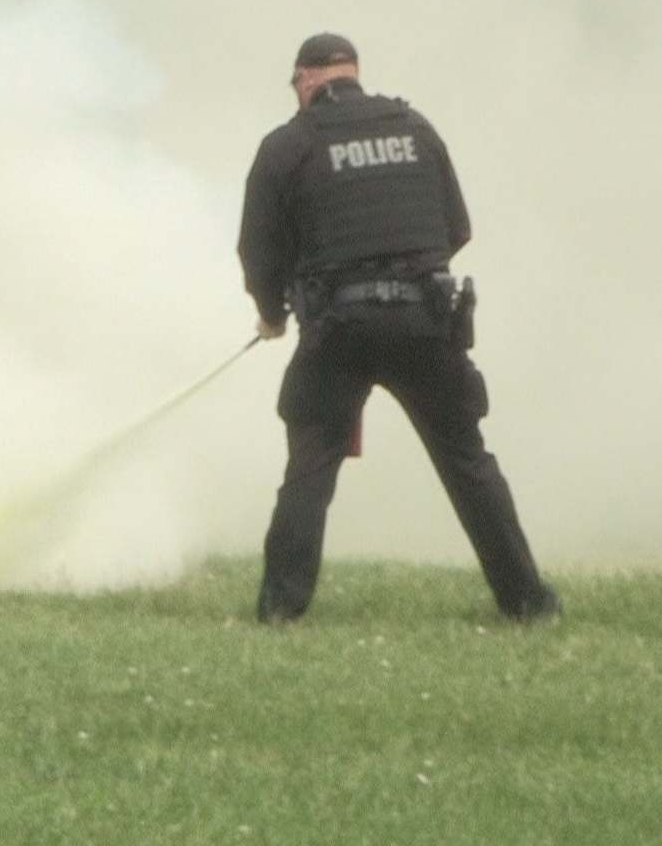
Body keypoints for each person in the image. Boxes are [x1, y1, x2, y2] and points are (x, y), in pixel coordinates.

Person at [237, 32, 560, 624]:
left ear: (307, 79)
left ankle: (281, 611)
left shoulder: (288, 144)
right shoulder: (416, 128)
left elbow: (258, 250)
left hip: (339, 326)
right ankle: (528, 605)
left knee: (310, 465)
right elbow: (455, 228)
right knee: (468, 462)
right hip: (425, 321)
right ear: (352, 72)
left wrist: (272, 313)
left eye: (295, 86)